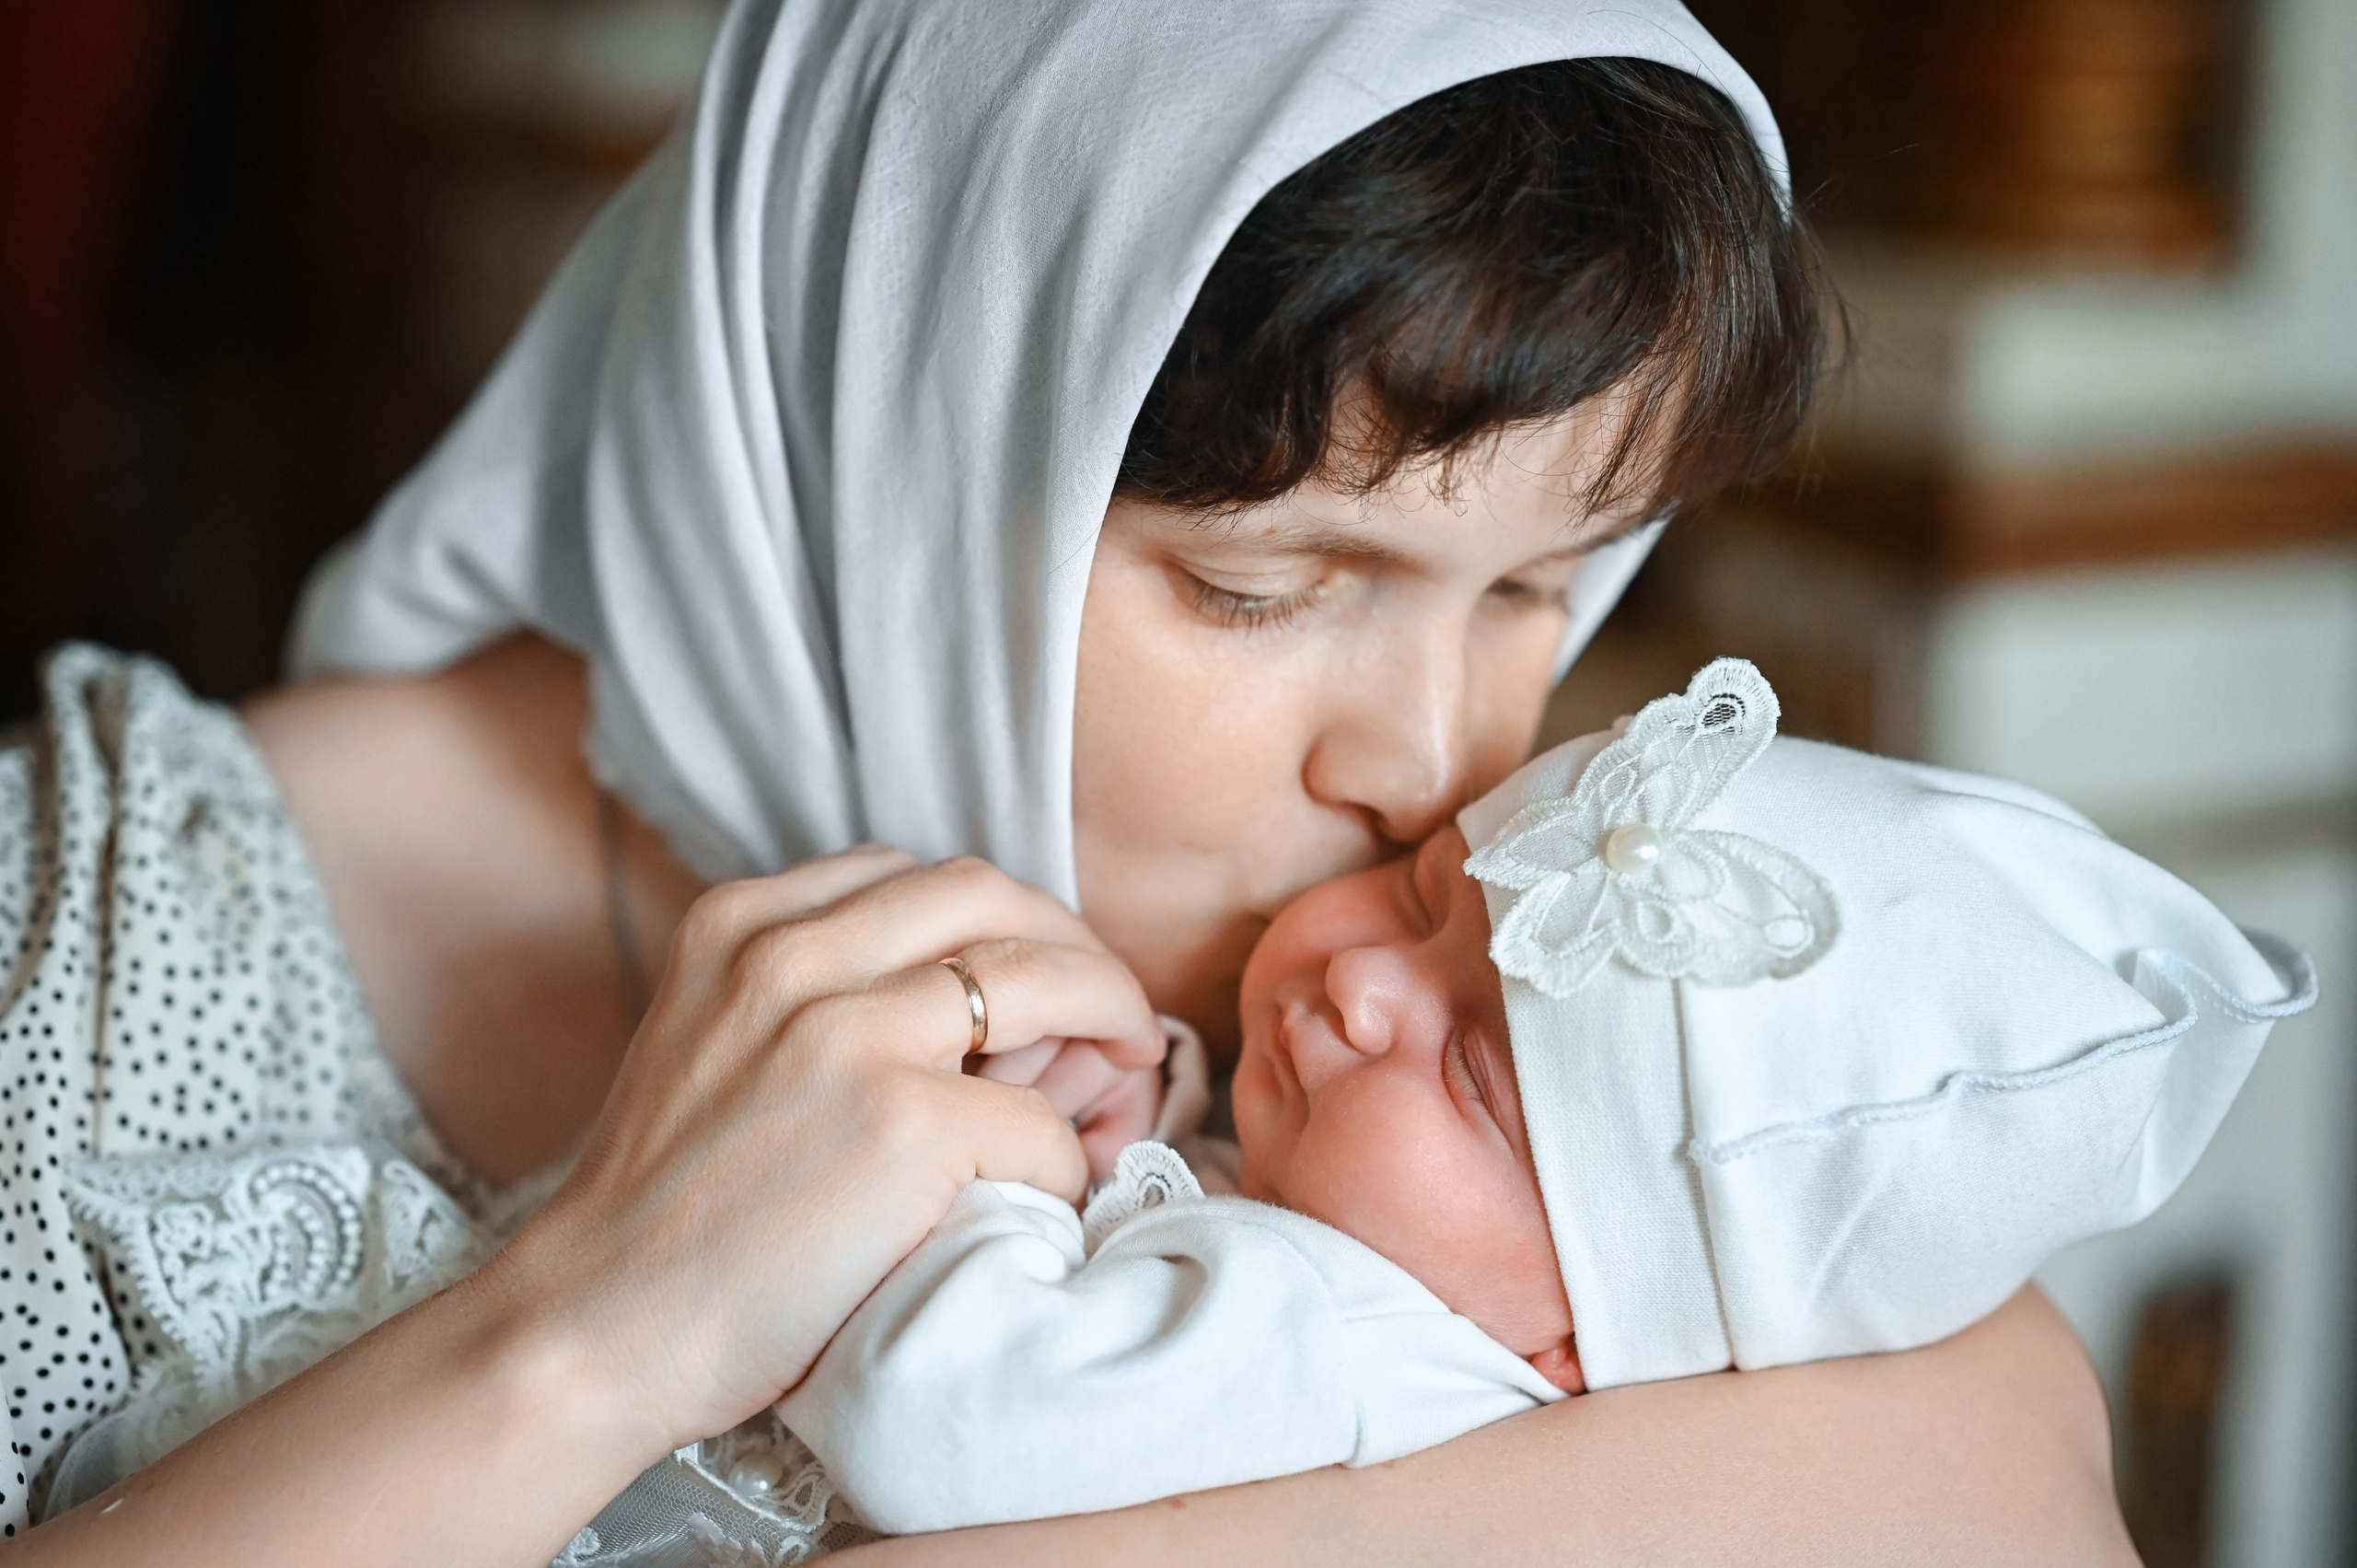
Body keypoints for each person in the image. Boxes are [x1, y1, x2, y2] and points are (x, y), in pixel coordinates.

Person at [3, 4, 2138, 1563]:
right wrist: (589, 1330)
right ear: (887, 429)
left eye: (1543, 589)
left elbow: (2008, 1461)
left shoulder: (1437, 1017)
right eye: (1257, 581)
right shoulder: (82, 955)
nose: (1429, 767)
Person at [543, 661, 2306, 1557]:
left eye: (1475, 1070)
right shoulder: (1381, 1274)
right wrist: (1130, 1126)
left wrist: (993, 1180)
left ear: (1572, 1344)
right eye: (1414, 888)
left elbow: (945, 1417)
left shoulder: (1346, 1338)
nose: (1360, 981)